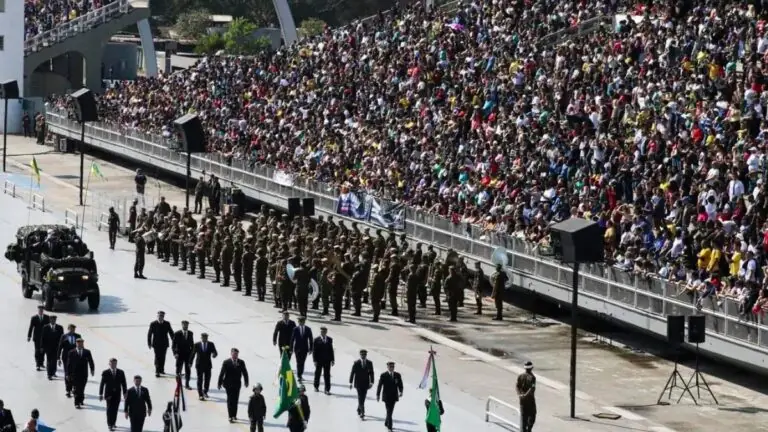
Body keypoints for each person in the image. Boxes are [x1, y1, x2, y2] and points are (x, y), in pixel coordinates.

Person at [218, 348, 249, 422]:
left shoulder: (241, 362)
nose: (235, 355)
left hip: (237, 384)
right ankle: (230, 416)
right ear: (231, 354)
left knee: (235, 400)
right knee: (230, 400)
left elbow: (245, 372)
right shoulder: (226, 362)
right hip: (228, 384)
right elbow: (222, 373)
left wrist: (246, 381)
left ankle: (234, 415)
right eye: (234, 354)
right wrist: (219, 383)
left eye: (237, 354)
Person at [99, 358, 128, 431]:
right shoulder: (105, 372)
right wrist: (100, 394)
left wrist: (125, 392)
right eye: (112, 363)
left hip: (117, 394)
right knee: (109, 409)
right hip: (108, 394)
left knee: (115, 409)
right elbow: (102, 384)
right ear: (109, 364)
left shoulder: (121, 372)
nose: (113, 365)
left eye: (115, 363)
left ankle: (113, 422)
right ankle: (109, 424)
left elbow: (124, 383)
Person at [67, 338, 95, 408]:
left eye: (81, 342)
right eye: (78, 342)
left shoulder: (87, 352)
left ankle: (81, 400)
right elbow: (69, 364)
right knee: (76, 389)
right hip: (75, 374)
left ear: (83, 343)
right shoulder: (71, 352)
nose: (79, 344)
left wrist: (92, 369)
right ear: (76, 343)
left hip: (84, 374)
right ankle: (77, 403)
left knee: (82, 388)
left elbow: (91, 361)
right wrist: (68, 374)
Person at [190, 332, 218, 400]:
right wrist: (190, 362)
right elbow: (193, 354)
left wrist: (214, 354)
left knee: (207, 379)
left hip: (208, 365)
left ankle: (205, 391)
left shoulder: (211, 344)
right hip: (199, 365)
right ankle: (200, 394)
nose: (204, 339)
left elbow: (215, 352)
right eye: (203, 337)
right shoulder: (197, 345)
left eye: (206, 337)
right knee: (200, 380)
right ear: (201, 338)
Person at [376, 361, 403, 432]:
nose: (392, 368)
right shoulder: (383, 375)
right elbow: (380, 385)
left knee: (390, 411)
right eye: (390, 367)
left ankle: (386, 421)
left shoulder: (397, 375)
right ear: (387, 367)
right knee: (389, 411)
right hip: (386, 397)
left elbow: (400, 384)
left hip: (394, 396)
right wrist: (378, 395)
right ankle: (390, 427)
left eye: (393, 367)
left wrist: (400, 391)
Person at [349, 349, 374, 419]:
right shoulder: (356, 363)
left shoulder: (369, 363)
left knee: (363, 397)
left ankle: (359, 408)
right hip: (358, 383)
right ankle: (362, 413)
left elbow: (371, 373)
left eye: (364, 354)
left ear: (366, 355)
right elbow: (352, 372)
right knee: (360, 397)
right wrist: (350, 382)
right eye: (362, 354)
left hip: (366, 383)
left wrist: (372, 382)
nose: (363, 356)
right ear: (360, 355)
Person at [147, 311, 174, 377]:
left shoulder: (167, 323)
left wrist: (175, 341)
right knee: (157, 357)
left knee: (163, 357)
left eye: (162, 316)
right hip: (156, 344)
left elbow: (171, 333)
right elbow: (149, 334)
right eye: (159, 316)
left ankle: (161, 369)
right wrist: (149, 343)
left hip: (164, 344)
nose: (160, 317)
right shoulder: (153, 324)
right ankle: (157, 371)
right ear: (157, 316)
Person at [57, 324, 81, 397]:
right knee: (67, 374)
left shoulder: (78, 336)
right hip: (66, 358)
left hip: (75, 357)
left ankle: (74, 387)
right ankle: (68, 390)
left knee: (75, 373)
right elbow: (60, 347)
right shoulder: (64, 336)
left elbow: (81, 347)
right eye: (70, 329)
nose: (72, 330)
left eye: (73, 329)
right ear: (68, 329)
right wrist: (58, 358)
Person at [172, 320, 194, 388]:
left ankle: (187, 384)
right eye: (184, 325)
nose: (185, 326)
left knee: (188, 370)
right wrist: (175, 353)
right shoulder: (177, 333)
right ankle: (178, 383)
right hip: (179, 354)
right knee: (178, 369)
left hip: (188, 354)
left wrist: (192, 354)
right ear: (182, 325)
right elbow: (173, 345)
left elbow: (192, 344)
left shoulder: (190, 333)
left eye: (186, 325)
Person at [312, 326, 334, 394]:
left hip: (327, 360)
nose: (323, 333)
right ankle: (316, 386)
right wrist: (314, 360)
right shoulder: (316, 339)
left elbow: (331, 350)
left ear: (326, 332)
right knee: (317, 374)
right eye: (322, 331)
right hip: (319, 360)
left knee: (327, 375)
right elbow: (314, 351)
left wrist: (332, 359)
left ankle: (327, 389)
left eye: (324, 331)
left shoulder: (329, 339)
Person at [290, 316, 313, 382]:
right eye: (299, 321)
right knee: (298, 362)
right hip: (297, 348)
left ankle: (300, 374)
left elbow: (310, 339)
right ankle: (299, 375)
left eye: (302, 321)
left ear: (304, 322)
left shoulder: (308, 329)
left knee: (302, 362)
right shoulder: (295, 329)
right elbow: (292, 339)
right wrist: (291, 348)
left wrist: (311, 349)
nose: (300, 322)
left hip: (305, 348)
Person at [27, 305, 50, 371]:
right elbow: (31, 327)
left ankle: (41, 363)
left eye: (42, 310)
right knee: (37, 350)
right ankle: (37, 364)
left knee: (43, 350)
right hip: (37, 337)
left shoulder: (47, 317)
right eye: (40, 310)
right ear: (38, 310)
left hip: (44, 338)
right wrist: (29, 336)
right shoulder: (34, 318)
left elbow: (48, 328)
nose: (41, 311)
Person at [41, 315, 63, 380]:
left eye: (54, 319)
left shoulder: (59, 327)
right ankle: (49, 374)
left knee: (54, 361)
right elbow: (43, 337)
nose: (53, 321)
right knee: (49, 361)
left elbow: (62, 338)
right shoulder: (45, 327)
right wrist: (42, 347)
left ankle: (53, 372)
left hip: (56, 347)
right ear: (50, 320)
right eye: (52, 319)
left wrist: (61, 347)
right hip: (48, 347)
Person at [517, 361, 537, 432]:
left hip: (522, 400)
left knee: (523, 417)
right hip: (530, 400)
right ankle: (529, 429)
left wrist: (520, 394)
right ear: (532, 368)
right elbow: (532, 388)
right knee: (532, 415)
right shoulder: (533, 378)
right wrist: (525, 395)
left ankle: (524, 430)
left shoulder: (520, 376)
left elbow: (517, 386)